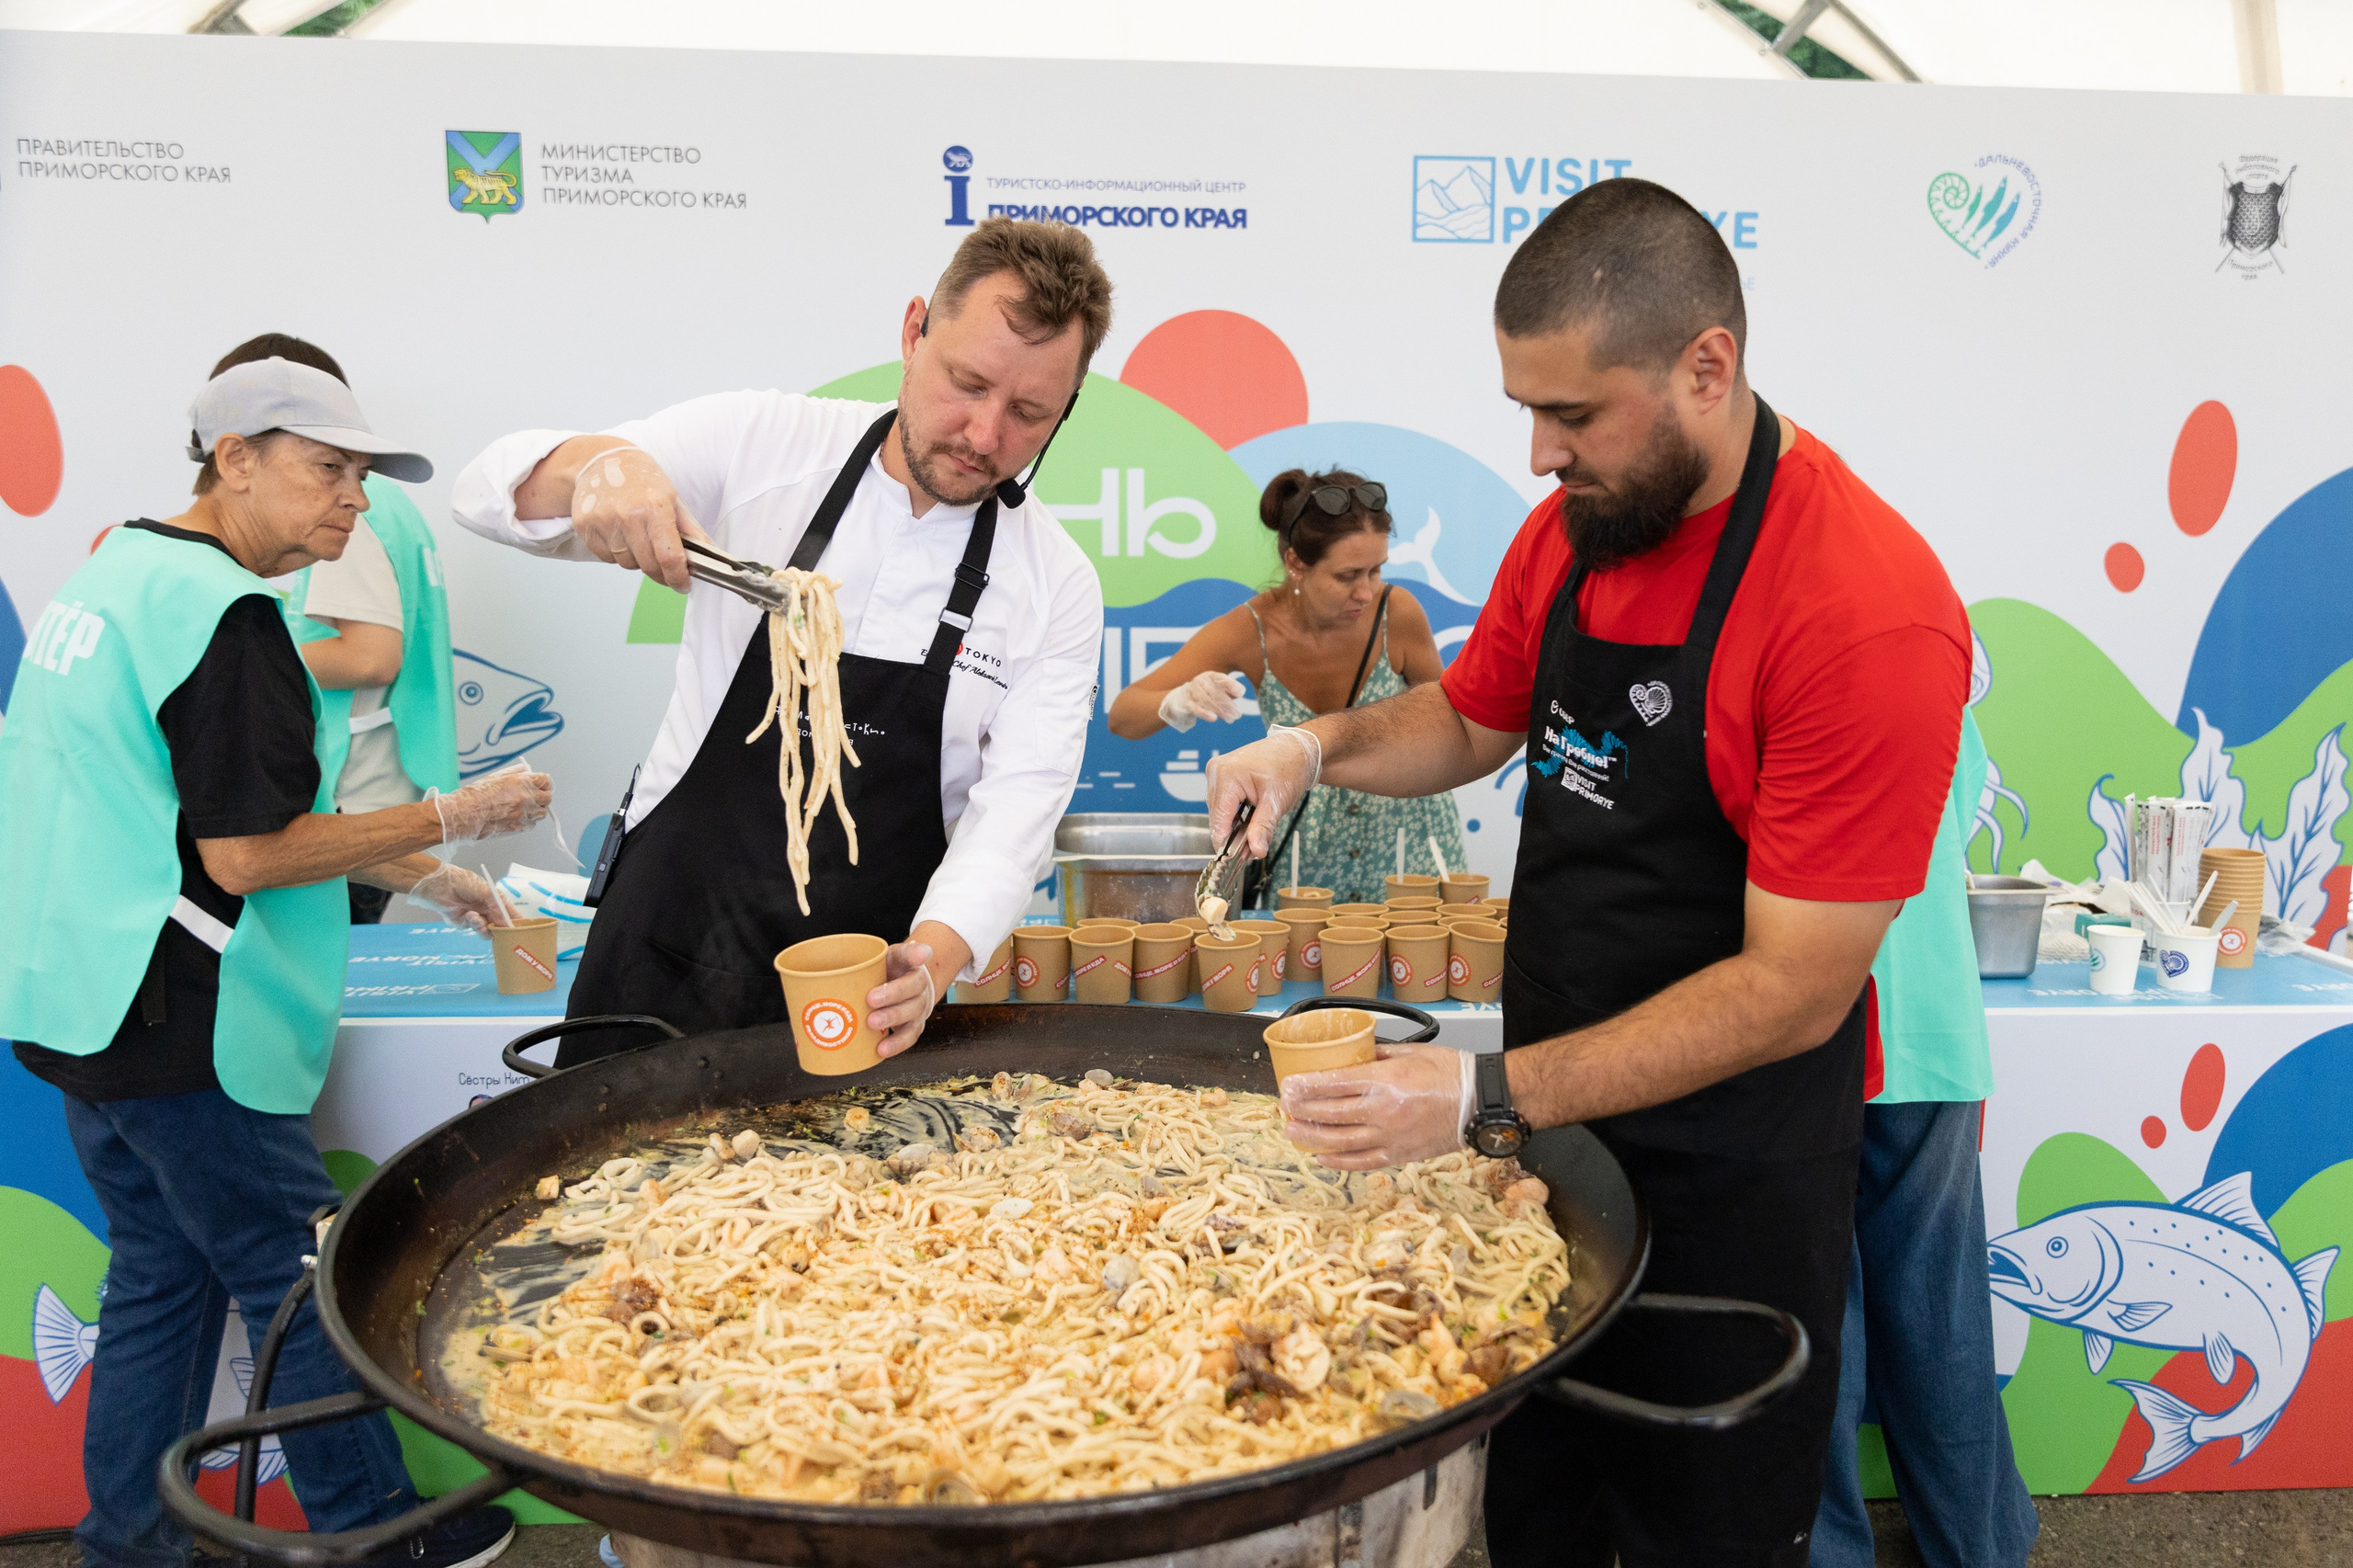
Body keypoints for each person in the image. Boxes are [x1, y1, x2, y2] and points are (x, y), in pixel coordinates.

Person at [1205, 178, 1971, 1567]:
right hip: (1548, 1147)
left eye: (1575, 415)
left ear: (1708, 366)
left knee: (1706, 1529)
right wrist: (1310, 746)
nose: (1545, 455)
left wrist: (1482, 1088)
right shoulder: (1576, 534)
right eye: (1527, 413)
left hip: (1732, 1175)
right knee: (1540, 1508)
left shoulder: (1862, 608)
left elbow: (1797, 990)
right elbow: (1472, 718)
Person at [0, 352, 550, 1568]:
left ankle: (126, 1541)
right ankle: (370, 1533)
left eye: (359, 474)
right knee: (304, 1275)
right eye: (325, 468)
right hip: (184, 1017)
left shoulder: (118, 575)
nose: (352, 501)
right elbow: (248, 853)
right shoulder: (233, 619)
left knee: (158, 1279)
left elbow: (165, 805)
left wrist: (422, 874)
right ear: (231, 461)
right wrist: (450, 817)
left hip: (82, 1004)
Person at [452, 217, 1110, 1063]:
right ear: (913, 332)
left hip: (864, 992)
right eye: (967, 383)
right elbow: (485, 492)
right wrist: (600, 468)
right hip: (663, 949)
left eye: (1028, 413)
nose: (985, 437)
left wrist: (937, 957)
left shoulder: (1054, 582)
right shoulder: (766, 444)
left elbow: (1019, 807)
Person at [1811, 709, 2039, 1568]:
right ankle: (1980, 1546)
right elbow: (1966, 794)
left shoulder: (1764, 664)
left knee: (1820, 1310)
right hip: (1932, 1025)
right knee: (1939, 1307)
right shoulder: (1933, 671)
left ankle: (1827, 1551)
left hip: (1807, 1030)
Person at [1107, 467, 1464, 903]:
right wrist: (1177, 701)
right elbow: (1124, 716)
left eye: (1376, 571)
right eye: (1348, 576)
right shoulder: (1248, 630)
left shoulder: (1399, 613)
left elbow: (1453, 723)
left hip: (1409, 855)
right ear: (1296, 563)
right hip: (1305, 865)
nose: (1367, 592)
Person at [226, 335, 462, 925]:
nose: (349, 491)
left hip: (345, 797)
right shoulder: (379, 501)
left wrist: (234, 663)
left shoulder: (333, 506)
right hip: (368, 796)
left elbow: (370, 657)